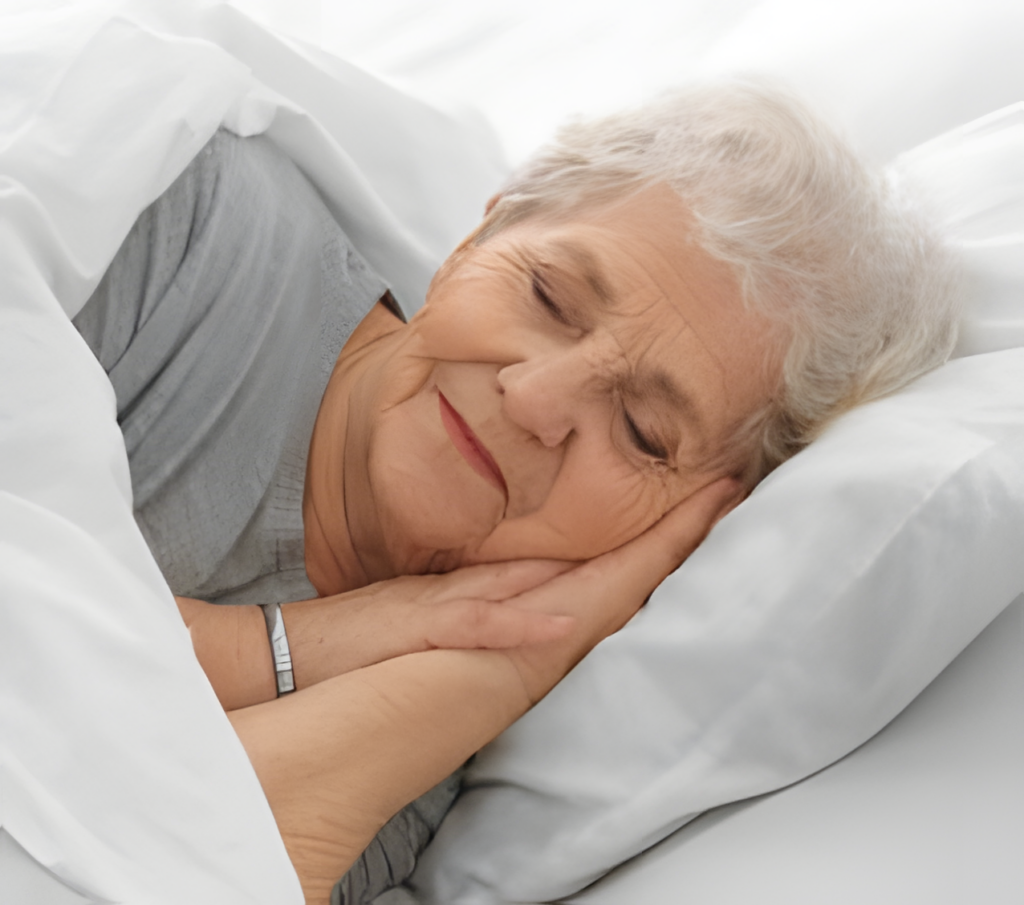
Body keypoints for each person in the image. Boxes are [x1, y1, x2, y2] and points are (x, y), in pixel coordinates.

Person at [73, 82, 962, 904]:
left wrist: (512, 661)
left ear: (692, 530)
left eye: (644, 432)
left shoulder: (427, 740)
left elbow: (126, 865)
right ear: (474, 242)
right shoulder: (175, 224)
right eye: (548, 295)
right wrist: (294, 646)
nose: (534, 399)